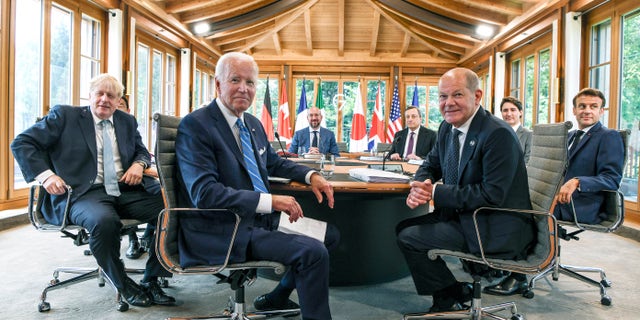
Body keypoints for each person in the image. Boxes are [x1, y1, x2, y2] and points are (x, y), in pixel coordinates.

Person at [175, 52, 340, 320]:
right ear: (218, 85)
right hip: (223, 228)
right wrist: (271, 201)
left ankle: (277, 297)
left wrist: (311, 176)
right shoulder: (196, 125)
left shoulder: (251, 123)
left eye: (250, 83)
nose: (244, 88)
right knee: (312, 253)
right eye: (235, 80)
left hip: (257, 221)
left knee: (328, 235)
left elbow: (275, 163)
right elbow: (205, 194)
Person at [11, 74, 175, 307]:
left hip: (124, 189)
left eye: (112, 95)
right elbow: (22, 143)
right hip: (82, 193)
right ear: (89, 95)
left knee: (171, 207)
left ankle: (153, 279)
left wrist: (139, 164)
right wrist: (47, 176)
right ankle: (122, 282)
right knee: (103, 221)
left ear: (119, 100)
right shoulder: (65, 116)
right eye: (100, 93)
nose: (104, 99)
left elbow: (141, 151)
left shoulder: (126, 121)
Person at [395, 67, 535, 313]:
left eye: (457, 95)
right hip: (464, 215)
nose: (448, 103)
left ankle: (448, 298)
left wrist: (435, 193)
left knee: (411, 237)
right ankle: (453, 291)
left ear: (477, 96)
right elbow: (431, 164)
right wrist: (422, 183)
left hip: (493, 224)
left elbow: (492, 194)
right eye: (442, 97)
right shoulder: (447, 128)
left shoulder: (497, 134)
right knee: (404, 227)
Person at [484, 87, 625, 296]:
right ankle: (501, 260)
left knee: (526, 213)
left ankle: (519, 275)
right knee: (507, 202)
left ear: (601, 111)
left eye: (593, 107)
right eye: (582, 106)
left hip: (583, 204)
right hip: (557, 198)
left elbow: (612, 179)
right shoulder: (568, 136)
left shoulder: (608, 136)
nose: (587, 111)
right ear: (574, 110)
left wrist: (577, 182)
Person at [500, 96, 532, 164]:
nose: (508, 114)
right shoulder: (497, 134)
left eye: (513, 110)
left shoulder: (529, 134)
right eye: (505, 110)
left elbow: (528, 162)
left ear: (520, 112)